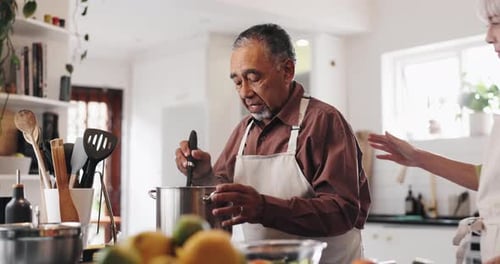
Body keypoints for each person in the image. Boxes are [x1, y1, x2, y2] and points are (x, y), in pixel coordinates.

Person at [175, 23, 371, 264]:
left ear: (287, 70)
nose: (244, 92)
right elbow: (224, 197)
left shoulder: (323, 121)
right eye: (237, 82)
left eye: (253, 78)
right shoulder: (244, 131)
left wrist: (263, 207)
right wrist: (204, 176)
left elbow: (343, 211)